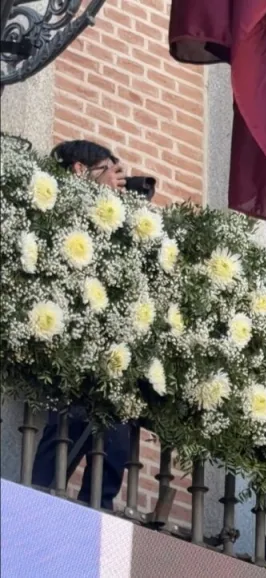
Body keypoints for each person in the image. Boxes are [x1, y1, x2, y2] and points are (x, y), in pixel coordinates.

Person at [32, 140, 132, 510]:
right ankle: (35, 506)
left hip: (108, 361)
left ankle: (98, 514)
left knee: (117, 443)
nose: (118, 179)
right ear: (80, 170)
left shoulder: (117, 229)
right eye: (110, 168)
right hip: (69, 355)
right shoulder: (60, 215)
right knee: (65, 431)